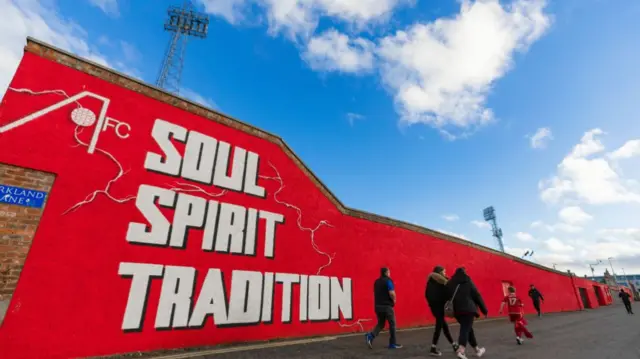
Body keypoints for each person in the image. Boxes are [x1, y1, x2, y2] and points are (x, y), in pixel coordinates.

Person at [445, 267, 487, 359]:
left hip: (457, 311)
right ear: (464, 272)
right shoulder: (467, 281)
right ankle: (461, 350)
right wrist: (484, 310)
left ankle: (477, 350)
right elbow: (476, 295)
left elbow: (446, 296)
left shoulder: (450, 282)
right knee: (465, 328)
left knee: (468, 329)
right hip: (468, 309)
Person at [365, 267, 403, 349]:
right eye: (389, 272)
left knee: (381, 324)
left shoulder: (376, 282)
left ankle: (370, 336)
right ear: (386, 273)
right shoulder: (388, 281)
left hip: (378, 306)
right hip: (387, 306)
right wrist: (394, 299)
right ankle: (392, 343)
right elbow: (391, 292)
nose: (390, 273)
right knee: (392, 324)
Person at [425, 266, 459, 356]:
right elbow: (446, 294)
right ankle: (433, 347)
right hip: (439, 307)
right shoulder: (441, 283)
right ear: (439, 272)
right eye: (444, 272)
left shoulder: (430, 283)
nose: (445, 273)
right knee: (439, 327)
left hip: (434, 308)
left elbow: (427, 295)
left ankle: (453, 344)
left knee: (444, 326)